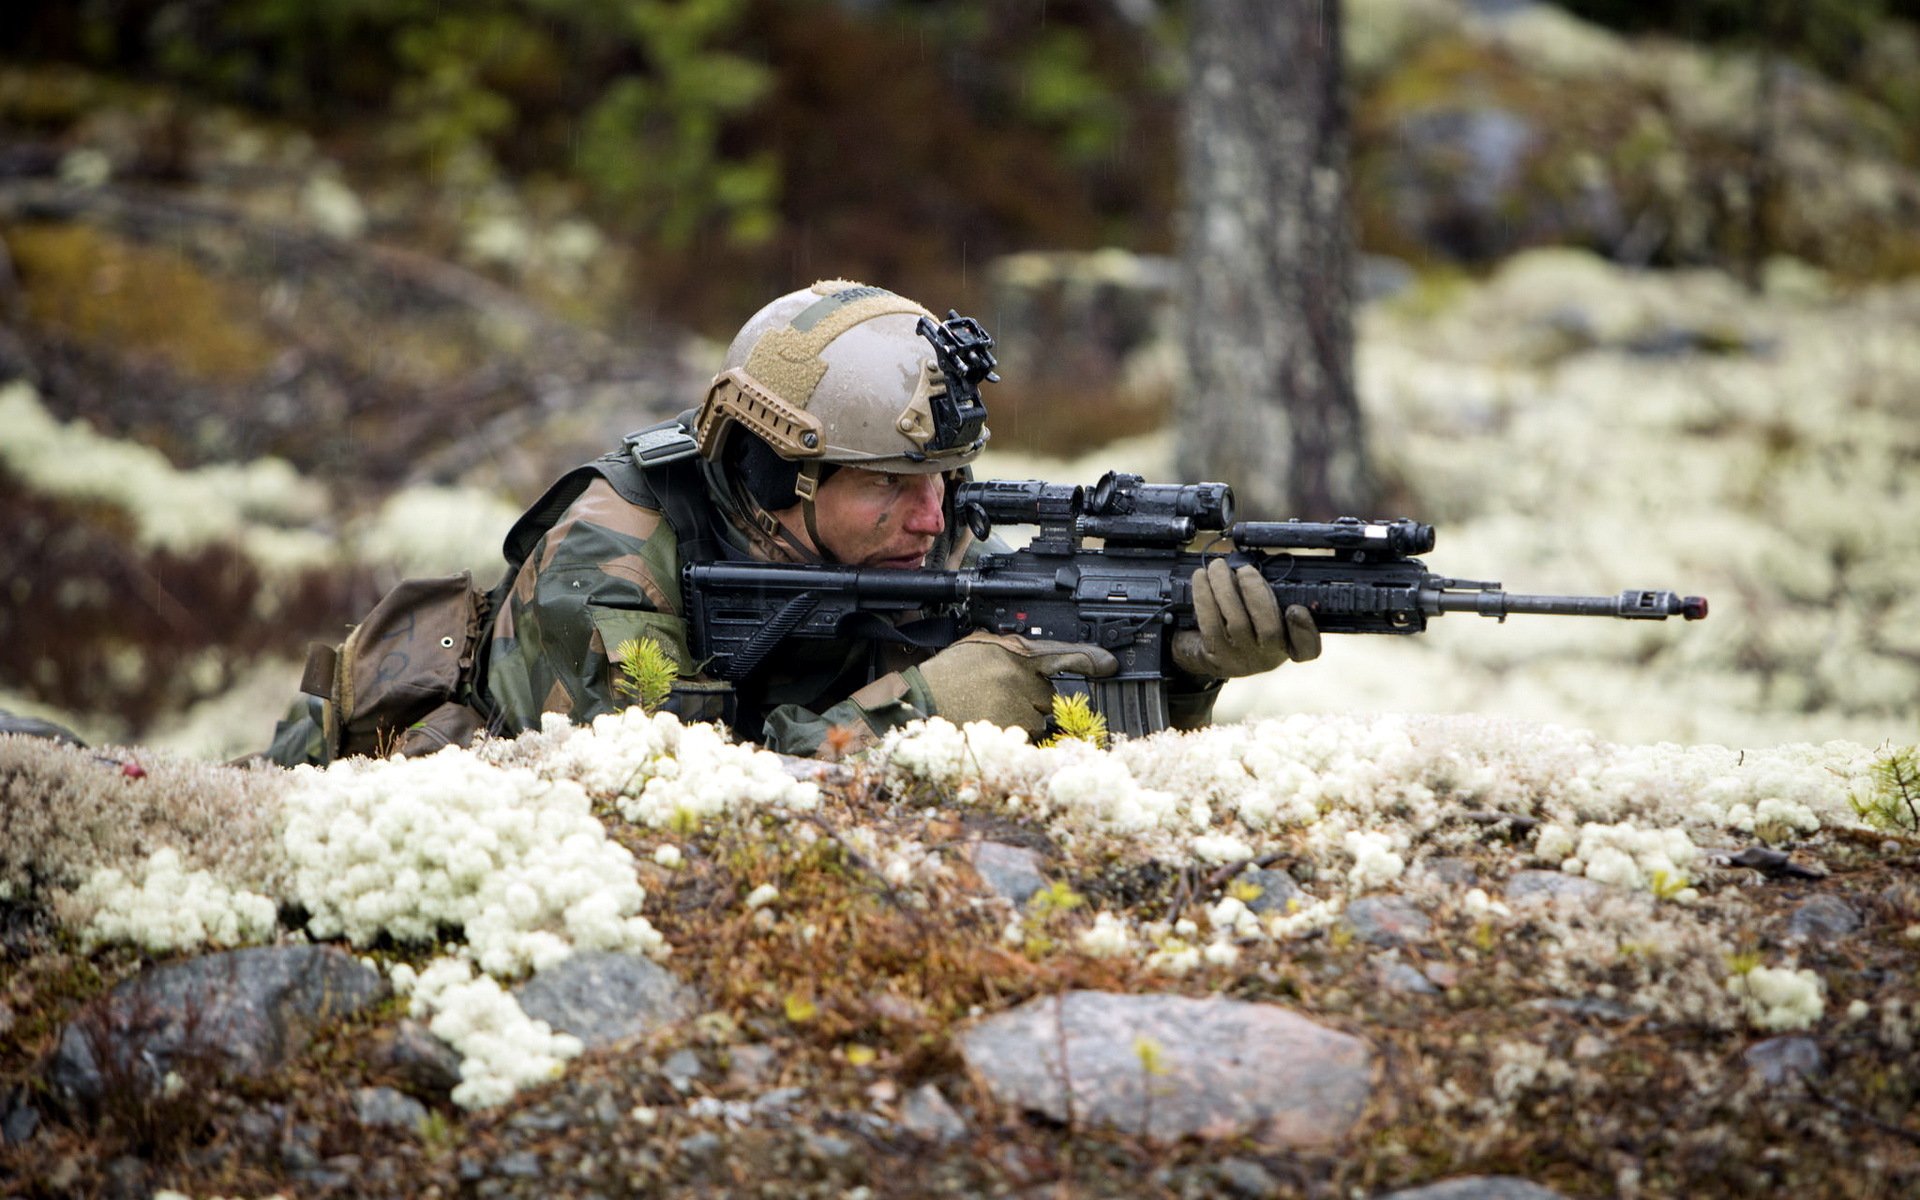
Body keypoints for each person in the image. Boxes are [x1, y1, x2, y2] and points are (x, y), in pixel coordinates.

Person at [268, 280, 1319, 764]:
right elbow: (659, 809)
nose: (934, 518)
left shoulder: (926, 523)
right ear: (786, 474)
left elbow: (1043, 727)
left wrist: (1174, 669)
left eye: (948, 478)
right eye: (891, 486)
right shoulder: (612, 557)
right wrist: (929, 710)